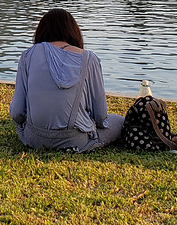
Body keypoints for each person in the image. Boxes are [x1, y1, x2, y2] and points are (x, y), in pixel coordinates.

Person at [9, 9, 125, 152]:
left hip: (34, 139)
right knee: (120, 121)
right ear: (73, 31)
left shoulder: (28, 55)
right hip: (76, 141)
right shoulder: (89, 59)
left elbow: (17, 113)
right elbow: (101, 117)